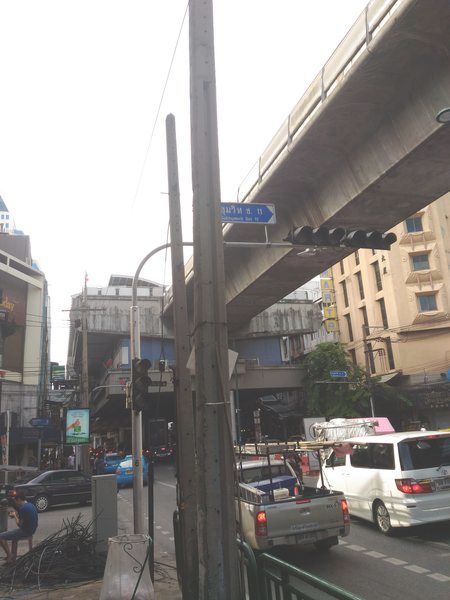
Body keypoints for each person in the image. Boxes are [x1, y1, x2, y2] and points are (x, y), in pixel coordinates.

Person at [0, 491, 38, 563]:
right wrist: (16, 515)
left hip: (25, 531)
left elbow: (19, 524)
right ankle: (11, 555)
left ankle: (10, 556)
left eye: (16, 501)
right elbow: (24, 518)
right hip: (32, 530)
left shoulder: (23, 508)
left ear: (19, 499)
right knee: (11, 534)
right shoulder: (31, 505)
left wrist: (14, 516)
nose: (16, 503)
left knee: (1, 537)